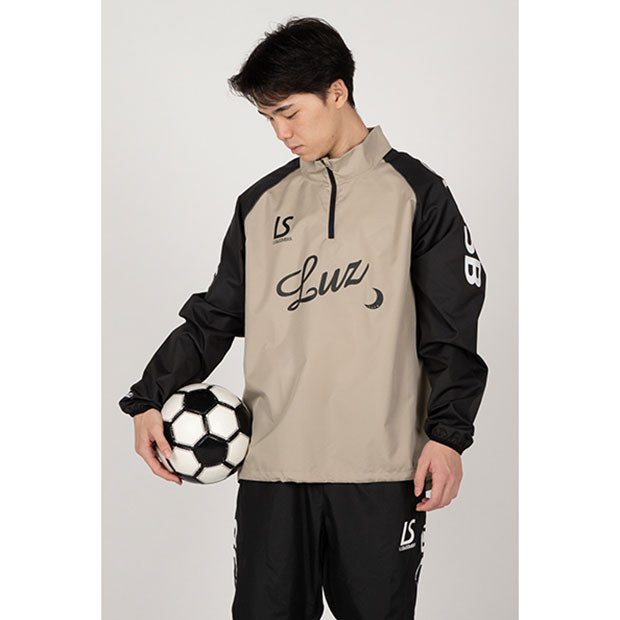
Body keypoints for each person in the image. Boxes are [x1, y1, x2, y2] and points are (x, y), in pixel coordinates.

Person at [119, 16, 489, 620]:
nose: (281, 133)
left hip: (381, 471)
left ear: (337, 92)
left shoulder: (419, 194)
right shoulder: (259, 204)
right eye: (268, 118)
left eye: (290, 113)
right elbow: (216, 316)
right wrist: (147, 398)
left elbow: (451, 331)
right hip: (273, 470)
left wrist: (449, 437)